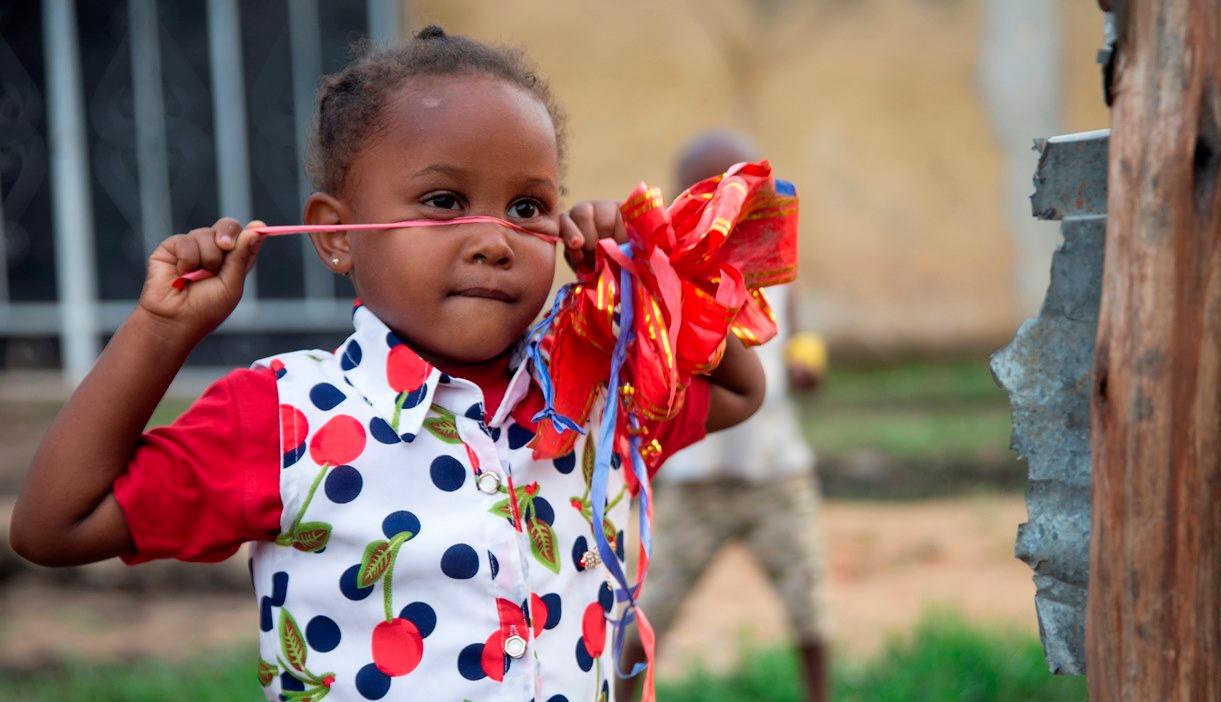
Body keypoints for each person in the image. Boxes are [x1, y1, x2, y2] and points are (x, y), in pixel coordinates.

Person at [8, 28, 765, 701]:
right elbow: (53, 526)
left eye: (528, 208)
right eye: (443, 200)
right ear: (337, 237)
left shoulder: (585, 392)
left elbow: (738, 389)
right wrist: (160, 333)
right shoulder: (285, 418)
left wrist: (645, 278)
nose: (494, 240)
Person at [618, 131, 830, 702]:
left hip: (775, 473)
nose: (727, 203)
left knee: (809, 610)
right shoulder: (663, 282)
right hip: (693, 482)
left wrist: (808, 362)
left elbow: (800, 340)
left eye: (740, 189)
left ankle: (821, 694)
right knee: (646, 613)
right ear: (684, 198)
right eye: (711, 189)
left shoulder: (773, 277)